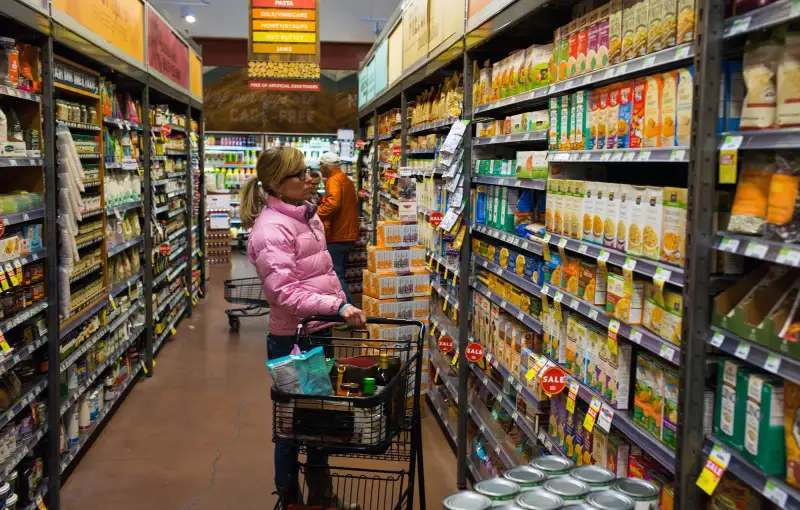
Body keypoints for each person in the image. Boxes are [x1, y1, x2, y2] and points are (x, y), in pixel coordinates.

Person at [239, 146, 366, 508]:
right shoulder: (270, 230)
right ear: (279, 184)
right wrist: (338, 306)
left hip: (317, 331)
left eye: (309, 171)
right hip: (292, 340)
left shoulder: (306, 215)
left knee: (320, 420)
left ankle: (321, 499)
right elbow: (284, 293)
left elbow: (323, 273)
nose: (310, 178)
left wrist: (336, 308)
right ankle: (290, 499)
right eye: (301, 174)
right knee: (292, 427)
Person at [316, 152, 359, 304]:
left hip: (338, 234)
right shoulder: (345, 179)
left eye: (321, 166)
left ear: (326, 166)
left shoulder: (333, 180)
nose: (320, 169)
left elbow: (333, 204)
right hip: (347, 232)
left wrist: (316, 214)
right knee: (340, 273)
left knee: (337, 274)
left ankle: (349, 313)